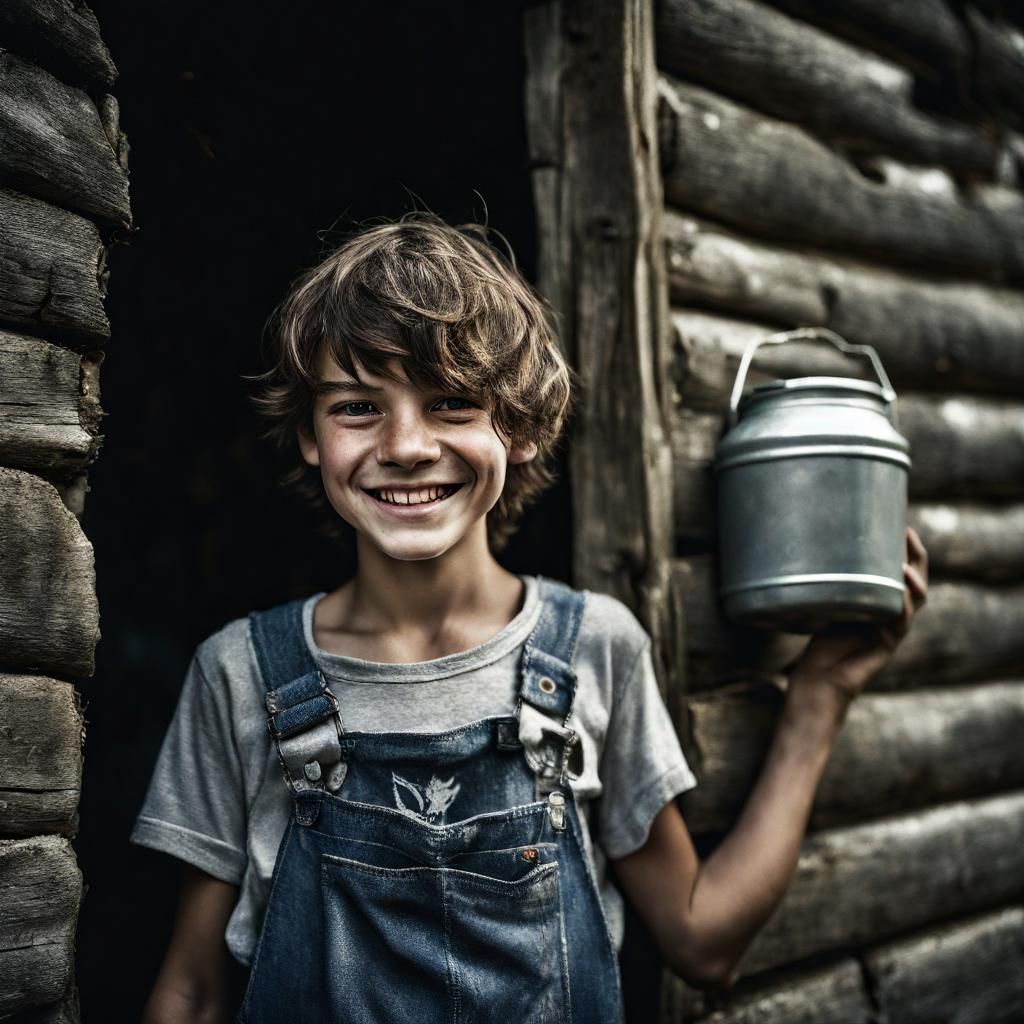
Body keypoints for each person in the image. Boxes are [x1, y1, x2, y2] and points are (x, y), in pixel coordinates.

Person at [134, 215, 928, 1023]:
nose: (406, 445)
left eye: (452, 402)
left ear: (515, 427)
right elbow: (193, 992)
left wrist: (818, 699)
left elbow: (701, 939)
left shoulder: (595, 650)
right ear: (310, 435)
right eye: (358, 407)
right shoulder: (240, 674)